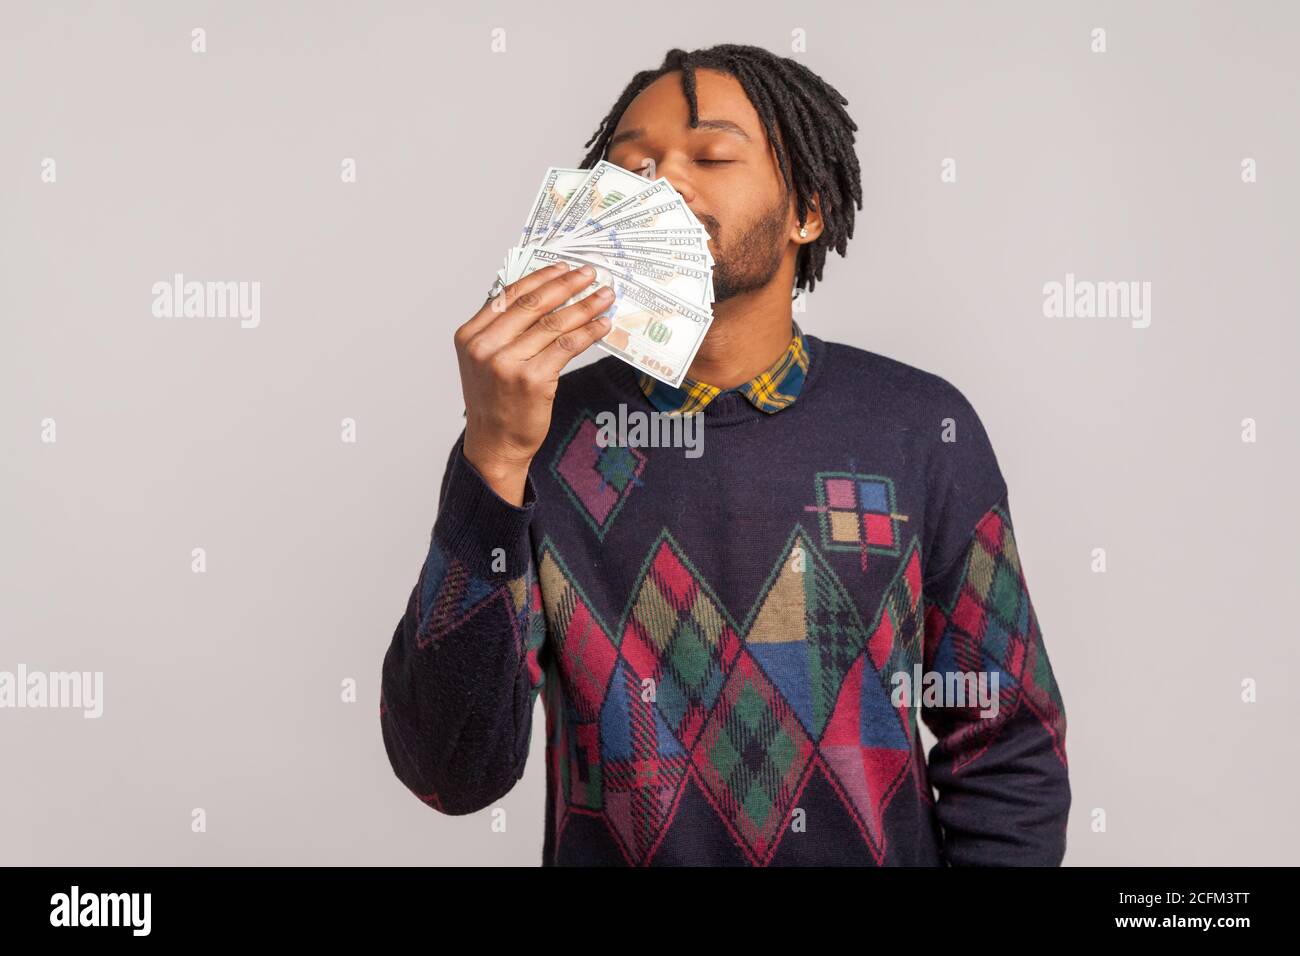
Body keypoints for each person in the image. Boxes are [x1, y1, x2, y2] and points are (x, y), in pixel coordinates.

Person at [379, 44, 1070, 866]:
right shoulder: (539, 430)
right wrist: (491, 459)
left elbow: (1006, 741)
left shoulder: (921, 428)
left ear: (805, 212)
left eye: (711, 155)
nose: (664, 179)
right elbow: (449, 772)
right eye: (632, 165)